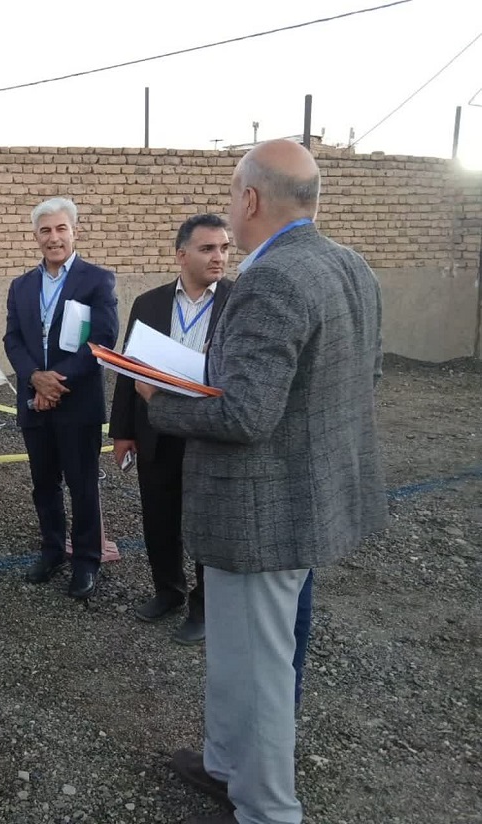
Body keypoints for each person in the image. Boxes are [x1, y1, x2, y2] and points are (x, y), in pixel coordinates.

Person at [135, 140, 387, 824]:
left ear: (249, 199)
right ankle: (224, 765)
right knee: (238, 655)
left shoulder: (271, 280)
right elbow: (355, 377)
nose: (228, 207)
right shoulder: (351, 264)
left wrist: (160, 399)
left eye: (230, 194)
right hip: (305, 498)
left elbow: (245, 414)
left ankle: (268, 809)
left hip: (261, 513)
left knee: (260, 669)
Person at [109, 213, 232, 645]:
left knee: (205, 525)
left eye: (224, 248)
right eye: (207, 248)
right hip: (156, 430)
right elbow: (129, 371)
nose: (219, 257)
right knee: (159, 518)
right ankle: (168, 591)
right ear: (181, 255)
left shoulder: (238, 302)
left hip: (208, 433)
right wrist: (122, 432)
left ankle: (204, 607)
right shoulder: (149, 303)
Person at [4, 197, 119, 600]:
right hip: (34, 401)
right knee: (44, 484)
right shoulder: (21, 286)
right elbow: (12, 340)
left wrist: (55, 383)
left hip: (77, 402)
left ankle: (86, 560)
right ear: (35, 236)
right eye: (45, 230)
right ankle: (51, 550)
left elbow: (103, 340)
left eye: (60, 229)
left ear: (75, 232)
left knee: (82, 485)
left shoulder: (97, 281)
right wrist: (35, 379)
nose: (53, 238)